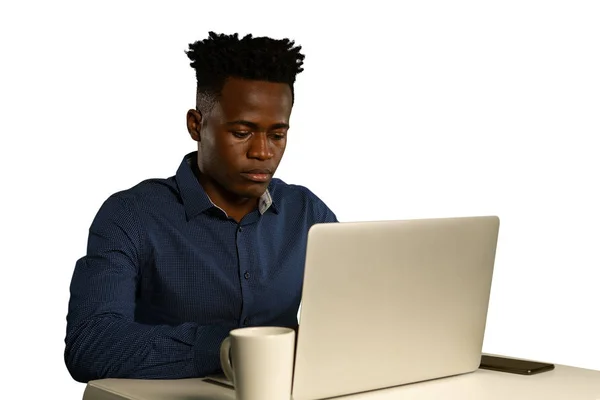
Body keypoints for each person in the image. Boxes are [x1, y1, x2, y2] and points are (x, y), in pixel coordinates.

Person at [64, 31, 337, 383]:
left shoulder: (308, 215)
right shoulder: (130, 216)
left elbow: (349, 321)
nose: (263, 152)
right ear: (197, 125)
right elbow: (91, 345)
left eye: (277, 135)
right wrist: (229, 348)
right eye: (242, 132)